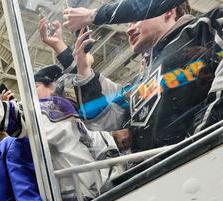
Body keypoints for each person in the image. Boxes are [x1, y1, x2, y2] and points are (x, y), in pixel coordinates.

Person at [0, 65, 120, 201]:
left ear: (51, 87)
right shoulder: (59, 111)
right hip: (81, 191)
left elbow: (28, 120)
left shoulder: (54, 105)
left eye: (34, 87)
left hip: (81, 191)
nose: (28, 94)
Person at [70, 3, 223, 152]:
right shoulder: (139, 81)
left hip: (202, 165)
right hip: (154, 174)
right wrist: (83, 68)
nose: (129, 29)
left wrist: (199, 144)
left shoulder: (204, 28)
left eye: (135, 19)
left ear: (168, 10)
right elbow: (107, 123)